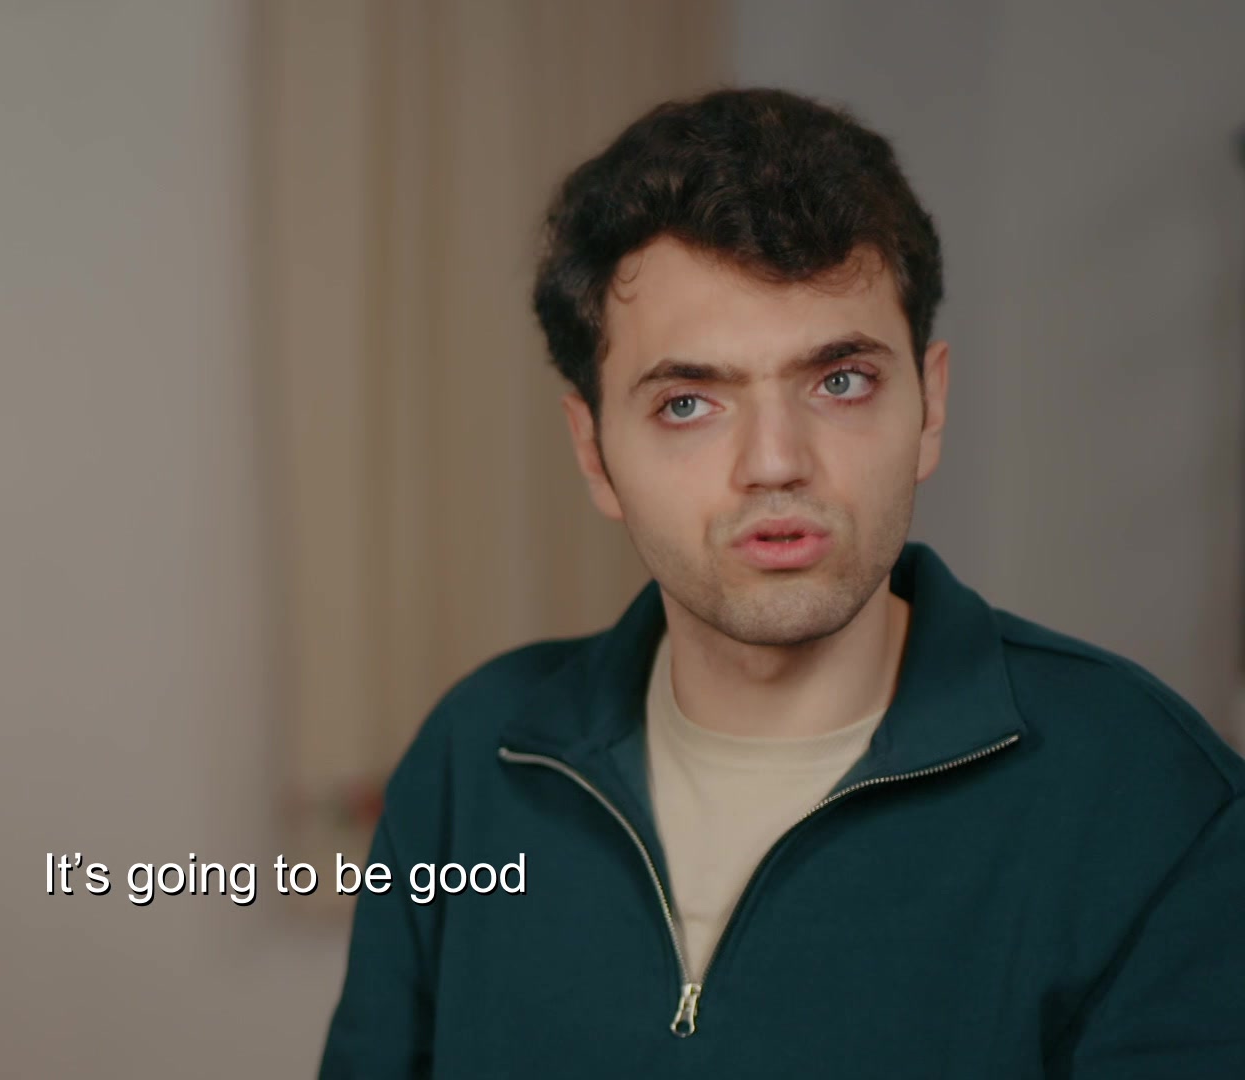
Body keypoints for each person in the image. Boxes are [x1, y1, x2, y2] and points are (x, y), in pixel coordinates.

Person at [317, 87, 1245, 1078]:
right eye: (687, 403)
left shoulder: (1154, 804)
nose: (774, 463)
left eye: (840, 382)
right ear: (594, 454)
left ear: (930, 406)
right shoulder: (471, 764)